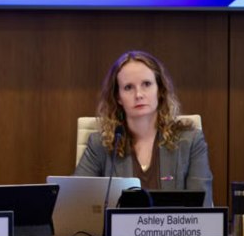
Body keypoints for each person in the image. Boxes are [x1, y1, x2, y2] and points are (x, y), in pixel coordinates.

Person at [74, 50, 214, 206]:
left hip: (174, 223)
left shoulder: (190, 141)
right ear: (118, 97)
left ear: (159, 90)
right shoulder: (100, 144)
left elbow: (203, 209)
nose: (139, 94)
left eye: (146, 84)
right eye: (128, 87)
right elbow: (75, 203)